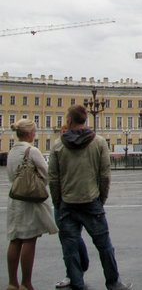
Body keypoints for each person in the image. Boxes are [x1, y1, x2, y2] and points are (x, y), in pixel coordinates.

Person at [48, 105, 132, 290]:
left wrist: (58, 202)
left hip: (67, 204)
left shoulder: (58, 145)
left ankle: (77, 284)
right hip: (91, 201)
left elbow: (53, 179)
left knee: (70, 249)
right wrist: (100, 199)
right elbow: (105, 175)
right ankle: (113, 282)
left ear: (69, 121)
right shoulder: (99, 142)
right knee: (104, 246)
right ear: (85, 120)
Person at [6, 119, 58, 290]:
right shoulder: (32, 151)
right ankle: (26, 283)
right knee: (29, 240)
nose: (35, 134)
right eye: (34, 131)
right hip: (30, 201)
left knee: (15, 240)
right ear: (29, 133)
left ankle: (12, 282)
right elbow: (46, 174)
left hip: (15, 200)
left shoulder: (12, 151)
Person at [54, 119, 89, 289]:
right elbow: (51, 176)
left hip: (77, 199)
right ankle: (73, 274)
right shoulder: (57, 149)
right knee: (68, 239)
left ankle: (79, 267)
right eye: (62, 134)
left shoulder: (81, 150)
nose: (64, 137)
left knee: (72, 238)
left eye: (65, 134)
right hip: (63, 201)